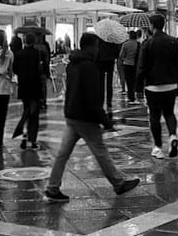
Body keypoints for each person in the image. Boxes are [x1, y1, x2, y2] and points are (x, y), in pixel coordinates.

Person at [44, 33, 140, 203]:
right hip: (85, 117)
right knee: (100, 151)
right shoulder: (88, 66)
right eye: (96, 46)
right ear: (89, 47)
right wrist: (105, 121)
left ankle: (52, 187)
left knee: (62, 154)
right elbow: (92, 97)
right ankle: (118, 183)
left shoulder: (72, 64)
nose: (97, 50)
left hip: (72, 114)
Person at [136, 14, 178, 159]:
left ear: (151, 26)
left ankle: (158, 147)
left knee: (154, 116)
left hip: (153, 86)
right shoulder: (173, 42)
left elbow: (141, 67)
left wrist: (138, 88)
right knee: (169, 113)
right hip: (171, 85)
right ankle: (173, 135)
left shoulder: (147, 44)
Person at [12, 33, 42, 149]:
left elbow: (15, 69)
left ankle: (24, 136)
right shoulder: (37, 53)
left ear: (24, 41)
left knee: (26, 111)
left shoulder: (19, 54)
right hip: (35, 87)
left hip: (23, 87)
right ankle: (32, 140)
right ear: (34, 41)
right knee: (34, 115)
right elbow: (40, 70)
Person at [96, 38, 119, 116]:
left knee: (101, 83)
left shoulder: (99, 39)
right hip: (110, 61)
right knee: (109, 83)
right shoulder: (112, 39)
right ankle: (109, 102)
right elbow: (117, 52)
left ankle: (101, 101)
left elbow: (97, 51)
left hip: (101, 62)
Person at [118, 31, 140, 103]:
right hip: (136, 65)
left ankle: (130, 97)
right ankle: (135, 96)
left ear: (129, 36)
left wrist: (125, 59)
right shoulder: (138, 44)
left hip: (127, 64)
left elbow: (121, 55)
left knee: (128, 81)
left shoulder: (125, 44)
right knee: (134, 81)